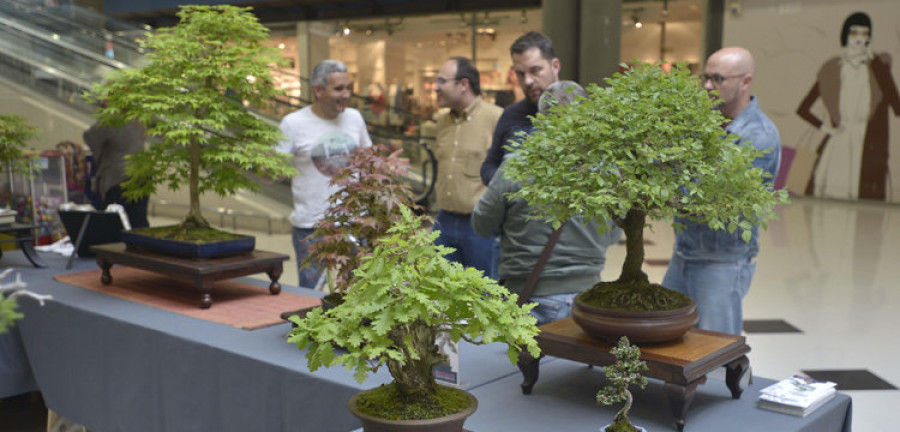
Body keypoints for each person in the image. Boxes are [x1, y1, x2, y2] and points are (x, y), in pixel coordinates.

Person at [472, 81, 621, 325]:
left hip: (530, 296)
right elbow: (613, 235)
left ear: (540, 121)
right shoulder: (607, 172)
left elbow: (482, 225)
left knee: (525, 361)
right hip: (588, 298)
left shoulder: (516, 165)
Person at [662, 47, 781, 335]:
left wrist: (667, 181)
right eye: (705, 77)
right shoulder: (705, 123)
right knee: (669, 335)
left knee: (716, 347)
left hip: (721, 260)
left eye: (718, 79)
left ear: (745, 81)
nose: (706, 86)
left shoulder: (759, 136)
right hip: (685, 252)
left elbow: (715, 200)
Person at [275, 60, 372, 289]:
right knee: (313, 294)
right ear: (318, 90)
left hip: (355, 222)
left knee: (364, 290)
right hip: (312, 226)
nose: (346, 94)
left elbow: (369, 164)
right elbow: (273, 173)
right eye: (338, 89)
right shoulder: (292, 124)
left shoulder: (355, 118)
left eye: (348, 87)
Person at [797, 11, 900, 200]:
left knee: (863, 207)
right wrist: (827, 128)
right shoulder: (832, 70)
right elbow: (803, 109)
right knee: (829, 199)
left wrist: (876, 64)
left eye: (865, 34)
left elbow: (896, 106)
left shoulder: (877, 68)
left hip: (867, 146)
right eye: (854, 33)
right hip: (839, 143)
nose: (859, 39)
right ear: (846, 34)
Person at [432, 56, 503, 278]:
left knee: (486, 296)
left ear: (463, 84)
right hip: (443, 221)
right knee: (438, 291)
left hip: (480, 225)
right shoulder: (442, 122)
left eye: (442, 81)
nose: (436, 87)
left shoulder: (497, 118)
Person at [480, 31, 561, 186]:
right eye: (520, 74)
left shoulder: (581, 111)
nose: (528, 81)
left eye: (535, 70)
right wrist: (510, 184)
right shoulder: (510, 115)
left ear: (555, 66)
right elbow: (488, 167)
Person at [83, 119, 149, 228]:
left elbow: (89, 136)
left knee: (115, 222)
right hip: (142, 177)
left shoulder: (112, 120)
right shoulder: (138, 121)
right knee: (138, 220)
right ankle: (142, 243)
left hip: (118, 178)